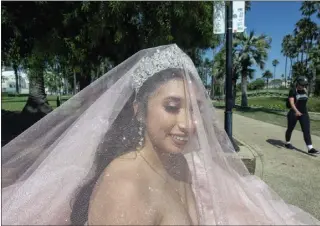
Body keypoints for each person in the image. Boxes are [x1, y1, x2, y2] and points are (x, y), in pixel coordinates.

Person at [2, 45, 320, 225]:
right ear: (139, 110)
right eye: (172, 106)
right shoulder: (124, 187)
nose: (188, 123)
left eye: (195, 109)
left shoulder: (183, 163)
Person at [285, 76, 319, 154]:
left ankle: (310, 148)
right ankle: (287, 143)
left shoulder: (305, 90)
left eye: (305, 85)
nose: (303, 86)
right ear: (298, 83)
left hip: (304, 113)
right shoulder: (293, 91)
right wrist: (296, 111)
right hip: (293, 113)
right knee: (290, 129)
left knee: (306, 130)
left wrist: (304, 111)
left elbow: (304, 101)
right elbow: (292, 103)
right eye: (302, 85)